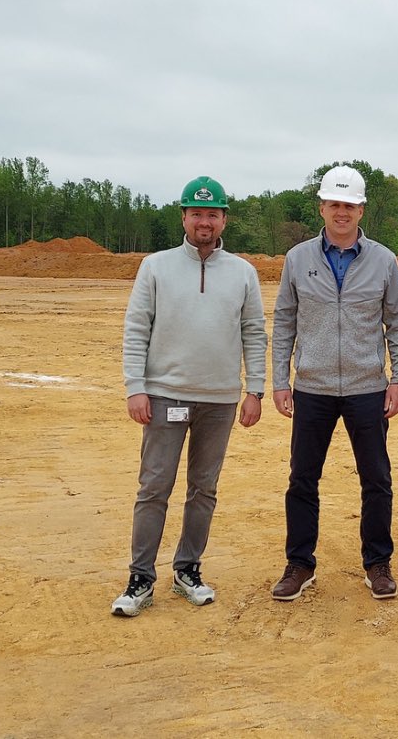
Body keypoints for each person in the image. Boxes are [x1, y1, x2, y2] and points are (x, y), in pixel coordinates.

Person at [111, 176, 267, 617]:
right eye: (196, 213)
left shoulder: (243, 272)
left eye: (213, 213)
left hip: (219, 400)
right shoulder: (155, 266)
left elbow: (254, 332)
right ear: (183, 216)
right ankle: (141, 577)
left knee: (204, 489)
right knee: (154, 486)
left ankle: (188, 570)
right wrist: (135, 387)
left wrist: (254, 389)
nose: (205, 221)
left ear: (223, 220)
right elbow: (137, 327)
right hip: (164, 396)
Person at [269, 165, 398, 601]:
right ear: (322, 207)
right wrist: (280, 380)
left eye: (349, 205)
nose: (341, 212)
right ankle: (299, 563)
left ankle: (377, 563)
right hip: (312, 388)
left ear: (361, 208)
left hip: (368, 388)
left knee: (376, 479)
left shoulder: (384, 261)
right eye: (334, 204)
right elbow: (285, 321)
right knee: (302, 479)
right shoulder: (298, 259)